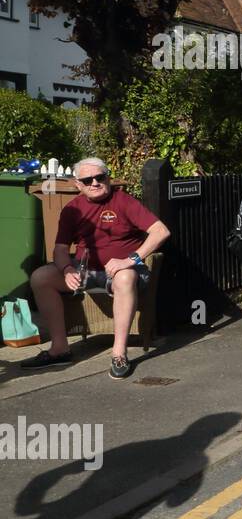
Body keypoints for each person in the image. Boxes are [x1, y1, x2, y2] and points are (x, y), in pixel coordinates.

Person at [21, 157, 170, 379]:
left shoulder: (124, 202)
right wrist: (66, 270)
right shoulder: (73, 209)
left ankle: (119, 354)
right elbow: (60, 249)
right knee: (40, 277)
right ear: (78, 184)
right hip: (85, 270)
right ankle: (60, 348)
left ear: (108, 178)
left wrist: (130, 260)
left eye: (100, 177)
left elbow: (161, 231)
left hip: (124, 272)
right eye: (88, 180)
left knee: (124, 278)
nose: (95, 183)